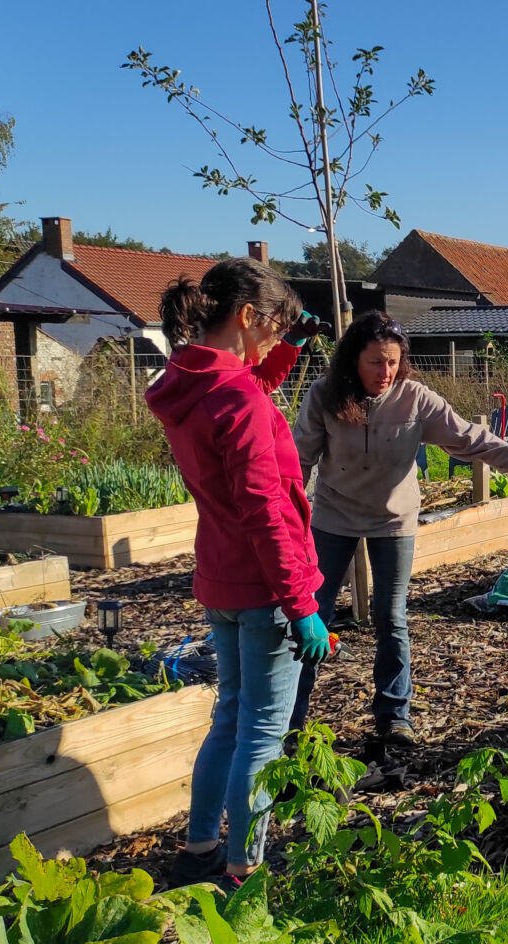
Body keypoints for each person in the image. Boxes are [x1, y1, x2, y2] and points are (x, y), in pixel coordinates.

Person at [290, 312, 508, 746]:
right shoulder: (325, 396)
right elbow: (297, 462)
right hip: (333, 517)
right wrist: (282, 525)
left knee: (390, 617)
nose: (385, 372)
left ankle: (394, 718)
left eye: (393, 362)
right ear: (353, 360)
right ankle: (290, 720)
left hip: (393, 519)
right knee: (311, 617)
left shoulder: (414, 399)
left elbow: (475, 441)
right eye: (375, 362)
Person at [145, 257, 330, 888]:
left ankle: (199, 848)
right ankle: (243, 867)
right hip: (263, 585)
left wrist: (290, 348)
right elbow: (266, 508)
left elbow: (249, 387)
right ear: (248, 318)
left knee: (230, 715)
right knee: (263, 732)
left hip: (220, 578)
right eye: (274, 330)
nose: (277, 344)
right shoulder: (238, 400)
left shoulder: (190, 383)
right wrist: (301, 600)